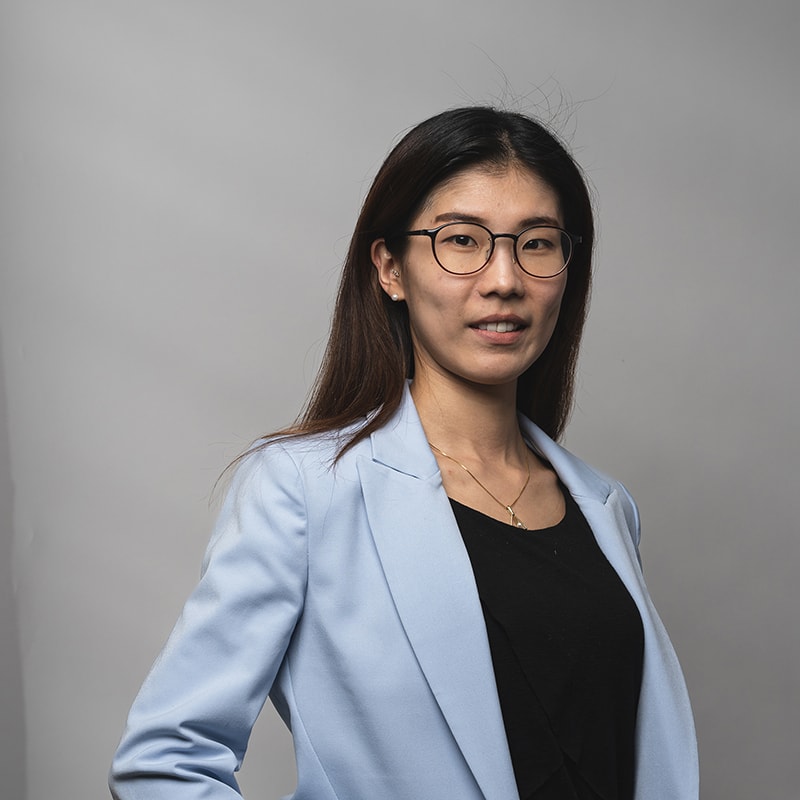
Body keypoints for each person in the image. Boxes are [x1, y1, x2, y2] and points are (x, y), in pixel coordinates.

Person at [109, 107, 698, 800]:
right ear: (390, 267)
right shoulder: (304, 489)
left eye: (537, 243)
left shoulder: (606, 509)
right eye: (462, 240)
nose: (504, 278)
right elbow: (166, 759)